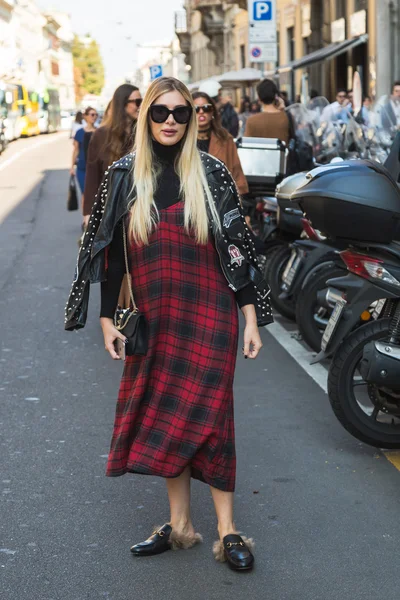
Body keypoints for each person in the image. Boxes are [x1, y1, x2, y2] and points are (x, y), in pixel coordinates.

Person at [65, 76, 273, 572]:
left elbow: (238, 251)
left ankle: (228, 532)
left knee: (215, 419)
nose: (172, 121)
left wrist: (250, 318)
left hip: (210, 315)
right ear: (144, 118)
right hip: (156, 317)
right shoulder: (122, 176)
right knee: (169, 416)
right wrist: (105, 318)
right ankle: (180, 527)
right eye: (161, 112)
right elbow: (110, 255)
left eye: (181, 112)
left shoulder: (212, 173)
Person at [82, 84, 141, 226]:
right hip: (110, 212)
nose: (141, 106)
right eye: (137, 102)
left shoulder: (144, 132)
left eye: (142, 101)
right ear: (122, 104)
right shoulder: (101, 135)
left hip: (141, 211)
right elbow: (92, 176)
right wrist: (88, 213)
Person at [193, 91, 248, 195]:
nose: (201, 112)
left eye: (206, 108)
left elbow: (236, 172)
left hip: (221, 199)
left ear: (212, 111)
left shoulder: (225, 138)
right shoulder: (183, 141)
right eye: (196, 109)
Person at [244, 79, 290, 144]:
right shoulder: (286, 118)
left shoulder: (251, 121)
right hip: (283, 154)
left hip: (259, 154)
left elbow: (247, 146)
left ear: (259, 99)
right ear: (275, 96)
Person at [70, 106, 98, 194]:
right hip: (82, 168)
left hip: (96, 168)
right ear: (85, 116)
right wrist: (72, 167)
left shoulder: (99, 132)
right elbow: (76, 150)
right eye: (92, 115)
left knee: (95, 195)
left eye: (96, 115)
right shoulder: (79, 132)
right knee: (85, 194)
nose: (94, 117)